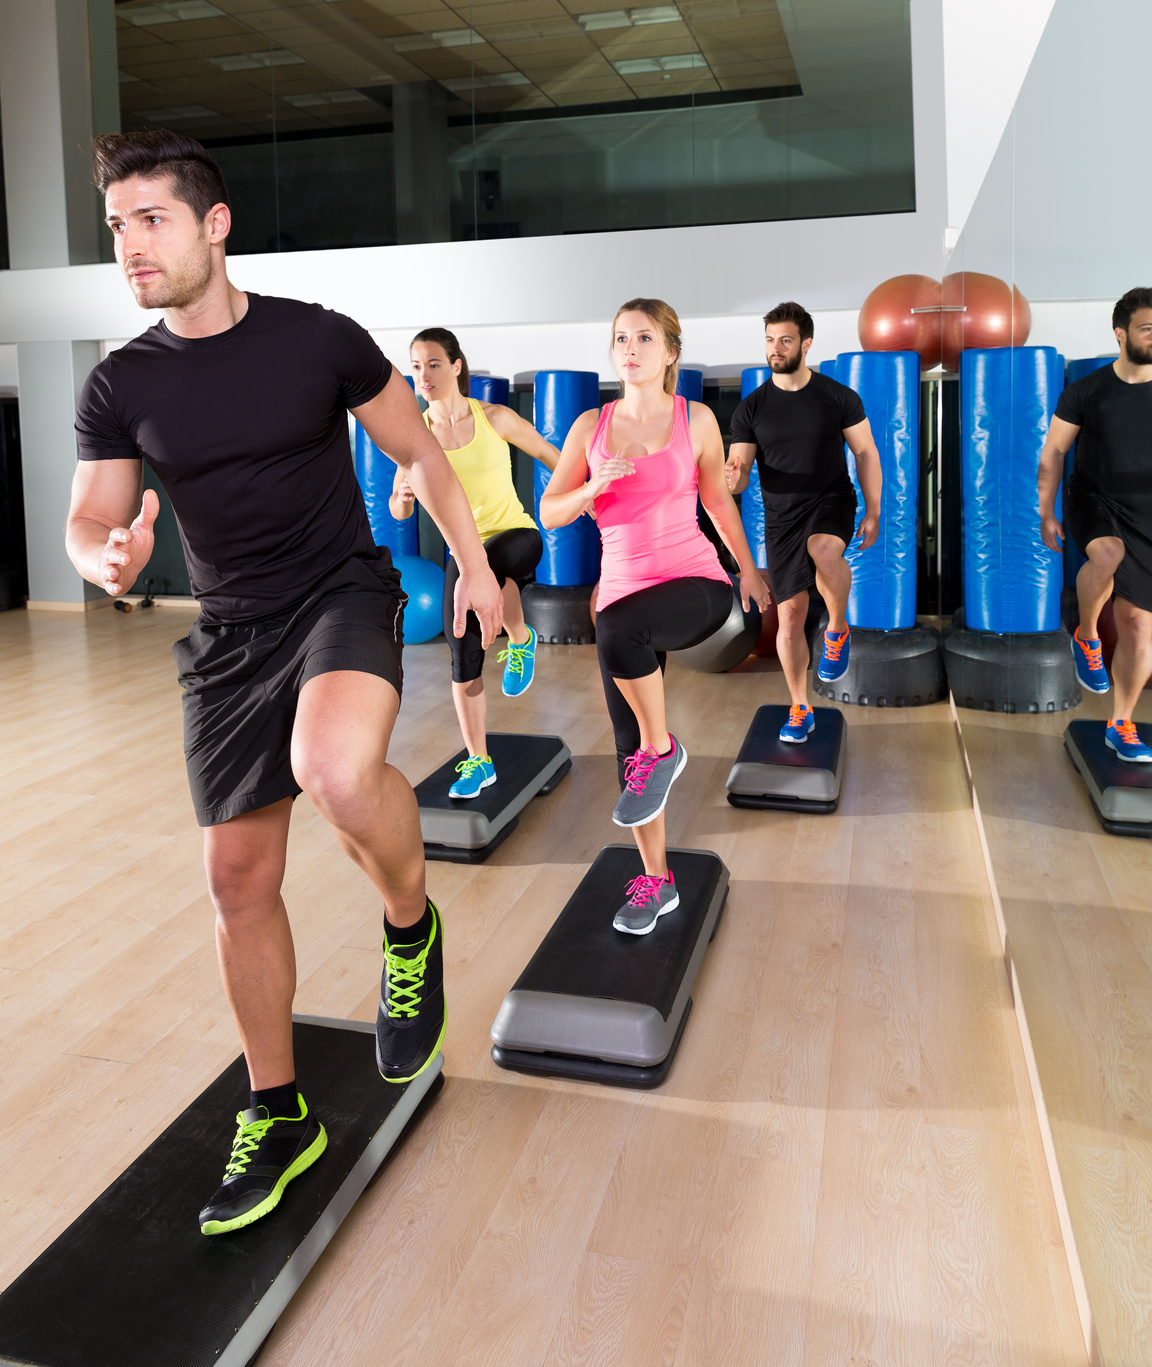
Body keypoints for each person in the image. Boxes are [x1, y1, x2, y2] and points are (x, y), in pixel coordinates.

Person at [65, 130, 503, 1235]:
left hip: (339, 593)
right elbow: (91, 515)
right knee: (236, 878)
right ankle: (279, 1106)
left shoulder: (320, 341)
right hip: (230, 633)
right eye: (118, 226)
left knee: (335, 769)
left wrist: (477, 568)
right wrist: (99, 558)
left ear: (215, 224)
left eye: (151, 219)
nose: (130, 246)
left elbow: (423, 458)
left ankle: (411, 928)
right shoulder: (121, 382)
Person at [541, 298, 770, 934]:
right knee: (629, 754)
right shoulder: (590, 426)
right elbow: (550, 510)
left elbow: (719, 503)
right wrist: (592, 486)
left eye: (644, 337)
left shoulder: (696, 420)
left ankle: (663, 746)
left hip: (694, 581)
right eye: (620, 338)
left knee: (617, 632)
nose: (630, 348)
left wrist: (747, 569)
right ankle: (655, 878)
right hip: (624, 589)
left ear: (670, 351)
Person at [389, 329, 559, 798]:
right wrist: (403, 497)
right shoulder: (415, 439)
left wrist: (580, 494)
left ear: (457, 366)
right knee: (462, 660)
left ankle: (521, 638)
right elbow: (397, 510)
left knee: (492, 564)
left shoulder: (496, 418)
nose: (424, 375)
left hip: (516, 536)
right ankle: (479, 761)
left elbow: (550, 455)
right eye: (417, 367)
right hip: (464, 558)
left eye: (434, 364)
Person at [724, 302, 882, 742]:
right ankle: (800, 707)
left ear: (806, 344)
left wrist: (872, 509)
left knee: (825, 547)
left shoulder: (837, 397)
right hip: (782, 517)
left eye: (785, 340)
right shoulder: (751, 409)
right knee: (789, 617)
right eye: (771, 340)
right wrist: (733, 477)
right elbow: (737, 475)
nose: (776, 349)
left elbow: (866, 453)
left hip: (831, 498)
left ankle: (836, 628)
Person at [1039, 286, 1152, 761]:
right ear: (1121, 334)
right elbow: (1054, 451)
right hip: (1093, 497)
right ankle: (1086, 633)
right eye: (1148, 329)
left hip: (1147, 508)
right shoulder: (1087, 389)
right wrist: (1047, 511)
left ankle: (1121, 723)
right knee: (1106, 553)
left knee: (1138, 625)